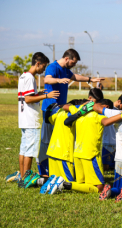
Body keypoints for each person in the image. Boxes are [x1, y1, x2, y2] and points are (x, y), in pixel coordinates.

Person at [38, 49, 104, 176]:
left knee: (59, 140)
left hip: (61, 109)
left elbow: (74, 77)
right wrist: (58, 80)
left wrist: (91, 79)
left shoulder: (66, 70)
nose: (74, 65)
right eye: (73, 62)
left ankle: (56, 168)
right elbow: (46, 80)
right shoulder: (53, 67)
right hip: (50, 109)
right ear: (67, 58)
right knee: (46, 141)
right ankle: (44, 170)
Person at [15, 52, 60, 188]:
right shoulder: (30, 78)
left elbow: (24, 96)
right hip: (30, 120)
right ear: (38, 63)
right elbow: (28, 99)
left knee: (23, 150)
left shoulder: (23, 76)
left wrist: (38, 94)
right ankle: (26, 178)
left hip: (23, 119)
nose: (43, 70)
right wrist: (46, 95)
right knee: (29, 151)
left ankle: (22, 178)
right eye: (43, 67)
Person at [102, 93, 122, 171]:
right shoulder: (109, 111)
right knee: (106, 166)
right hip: (107, 141)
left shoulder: (119, 111)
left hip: (116, 142)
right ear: (119, 101)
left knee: (112, 165)